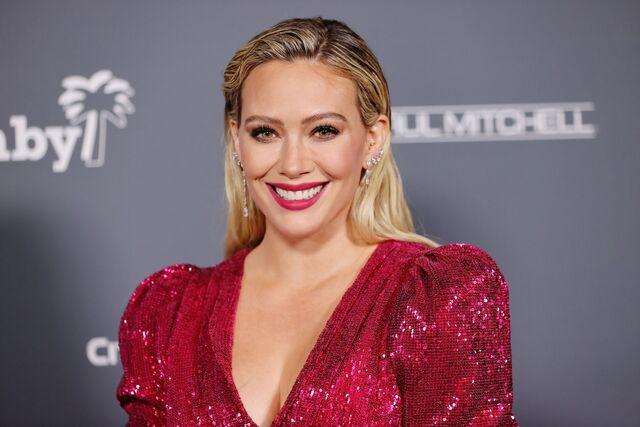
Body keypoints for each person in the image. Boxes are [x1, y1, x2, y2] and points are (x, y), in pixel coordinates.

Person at [116, 16, 519, 426]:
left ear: (374, 139)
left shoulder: (435, 297)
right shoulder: (169, 314)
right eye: (265, 133)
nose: (292, 165)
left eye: (323, 130)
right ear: (237, 140)